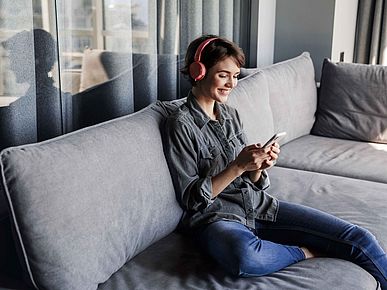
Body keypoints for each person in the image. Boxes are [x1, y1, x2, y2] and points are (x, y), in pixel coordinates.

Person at [163, 34, 387, 288]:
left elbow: (252, 181)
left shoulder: (230, 114)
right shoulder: (180, 124)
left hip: (258, 206)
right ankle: (303, 252)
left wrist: (258, 166)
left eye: (235, 76)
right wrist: (238, 166)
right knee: (246, 258)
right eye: (223, 75)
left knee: (358, 237)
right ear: (198, 71)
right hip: (218, 219)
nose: (231, 84)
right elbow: (192, 199)